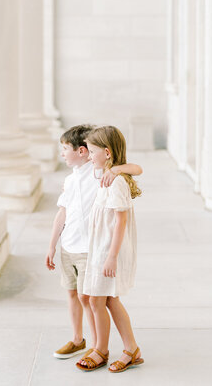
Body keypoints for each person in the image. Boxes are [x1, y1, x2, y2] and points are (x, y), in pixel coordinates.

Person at [45, 124, 142, 360]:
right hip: (69, 244)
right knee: (76, 295)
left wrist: (117, 168)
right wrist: (52, 245)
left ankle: (99, 347)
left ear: (84, 152)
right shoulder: (70, 180)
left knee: (93, 298)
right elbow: (62, 212)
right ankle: (80, 340)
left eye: (65, 148)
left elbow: (136, 168)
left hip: (91, 248)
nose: (61, 154)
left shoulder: (98, 172)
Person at [76, 125, 143, 373]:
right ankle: (131, 349)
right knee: (107, 300)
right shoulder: (102, 173)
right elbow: (136, 168)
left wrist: (112, 257)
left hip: (109, 251)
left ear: (106, 152)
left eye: (92, 151)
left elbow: (120, 222)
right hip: (101, 248)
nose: (88, 155)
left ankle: (102, 350)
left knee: (97, 300)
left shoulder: (116, 183)